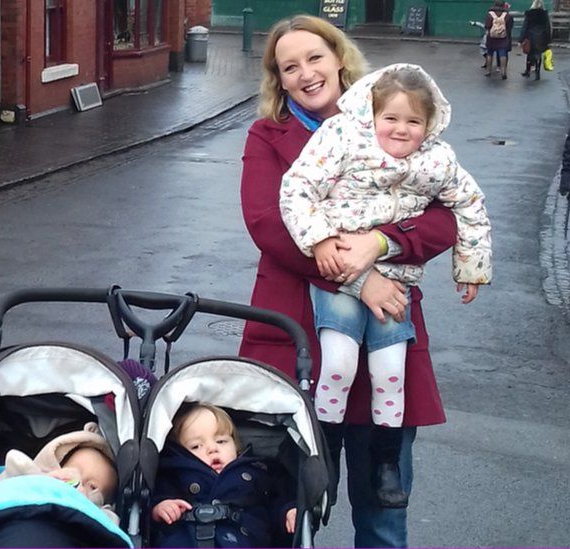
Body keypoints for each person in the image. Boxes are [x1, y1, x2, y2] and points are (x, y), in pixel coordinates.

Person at [238, 14, 458, 548]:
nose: (306, 74)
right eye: (290, 67)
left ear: (339, 58)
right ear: (279, 79)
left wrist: (380, 244)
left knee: (381, 518)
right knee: (283, 516)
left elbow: (444, 216)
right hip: (296, 341)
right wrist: (361, 281)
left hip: (383, 336)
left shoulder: (394, 119)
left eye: (315, 57)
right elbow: (268, 222)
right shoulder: (268, 135)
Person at [279, 63, 492, 508]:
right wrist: (319, 239)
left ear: (429, 124)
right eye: (391, 119)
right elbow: (298, 188)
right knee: (337, 366)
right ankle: (326, 458)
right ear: (372, 115)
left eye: (414, 121)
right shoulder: (342, 138)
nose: (401, 130)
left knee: (391, 374)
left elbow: (469, 205)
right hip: (337, 274)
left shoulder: (438, 160)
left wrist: (470, 266)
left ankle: (386, 462)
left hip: (396, 281)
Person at [150, 404, 296, 548]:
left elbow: (276, 500)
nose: (213, 449)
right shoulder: (176, 472)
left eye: (221, 441)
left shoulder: (256, 471)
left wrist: (287, 511)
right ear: (180, 452)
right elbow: (157, 495)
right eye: (196, 446)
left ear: (236, 445)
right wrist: (161, 506)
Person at [0, 422, 119, 523]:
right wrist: (38, 479)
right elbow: (1, 488)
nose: (80, 483)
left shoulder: (100, 513)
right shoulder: (38, 477)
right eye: (74, 471)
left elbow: (110, 525)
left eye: (92, 486)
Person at [520, 0, 552, 80]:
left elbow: (525, 27)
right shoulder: (544, 15)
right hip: (542, 36)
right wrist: (548, 39)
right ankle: (537, 73)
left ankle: (527, 71)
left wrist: (521, 38)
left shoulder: (529, 14)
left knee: (530, 54)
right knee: (538, 54)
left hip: (530, 36)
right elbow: (548, 27)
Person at [484, 0, 513, 79]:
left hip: (491, 37)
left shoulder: (490, 14)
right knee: (502, 54)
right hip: (503, 37)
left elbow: (487, 26)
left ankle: (488, 70)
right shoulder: (507, 15)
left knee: (490, 53)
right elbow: (510, 27)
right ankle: (503, 71)